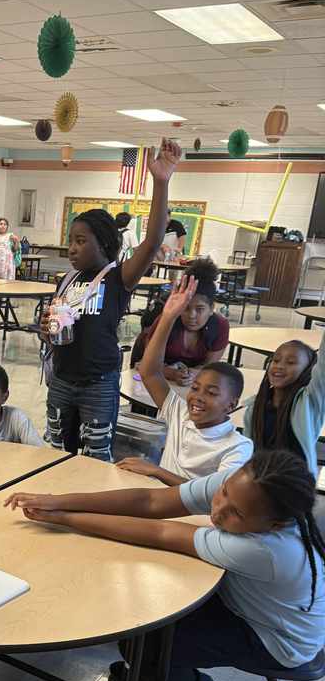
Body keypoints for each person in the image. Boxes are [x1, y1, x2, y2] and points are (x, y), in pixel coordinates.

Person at [5, 448, 325, 681]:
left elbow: (160, 532)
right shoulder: (243, 485)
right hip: (251, 602)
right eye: (222, 493)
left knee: (144, 639)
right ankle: (151, 669)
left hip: (275, 638)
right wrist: (57, 501)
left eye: (236, 514)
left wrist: (65, 519)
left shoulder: (269, 549)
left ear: (275, 524)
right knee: (144, 611)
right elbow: (153, 500)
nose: (217, 510)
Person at [40, 138, 182, 461]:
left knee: (95, 456)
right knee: (55, 453)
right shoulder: (66, 280)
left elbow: (153, 240)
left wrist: (161, 181)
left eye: (80, 241)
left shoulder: (118, 277)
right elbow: (53, 329)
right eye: (70, 241)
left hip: (98, 384)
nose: (72, 248)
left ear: (103, 243)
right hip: (62, 379)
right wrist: (46, 329)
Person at [117, 277, 252, 485]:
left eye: (212, 393)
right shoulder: (181, 413)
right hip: (156, 504)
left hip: (191, 516)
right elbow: (149, 372)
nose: (197, 398)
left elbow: (212, 498)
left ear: (231, 405)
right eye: (196, 388)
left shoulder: (237, 447)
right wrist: (169, 317)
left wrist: (157, 471)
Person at [244, 329, 325, 482]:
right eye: (276, 360)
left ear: (307, 371)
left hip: (294, 487)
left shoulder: (309, 403)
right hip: (259, 484)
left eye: (291, 362)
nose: (279, 366)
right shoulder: (255, 406)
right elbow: (247, 451)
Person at [131, 258, 229, 386]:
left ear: (211, 308)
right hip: (154, 380)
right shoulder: (166, 320)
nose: (192, 315)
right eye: (185, 308)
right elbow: (148, 365)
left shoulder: (220, 326)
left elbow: (209, 367)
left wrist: (194, 373)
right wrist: (172, 374)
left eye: (199, 309)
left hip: (190, 384)